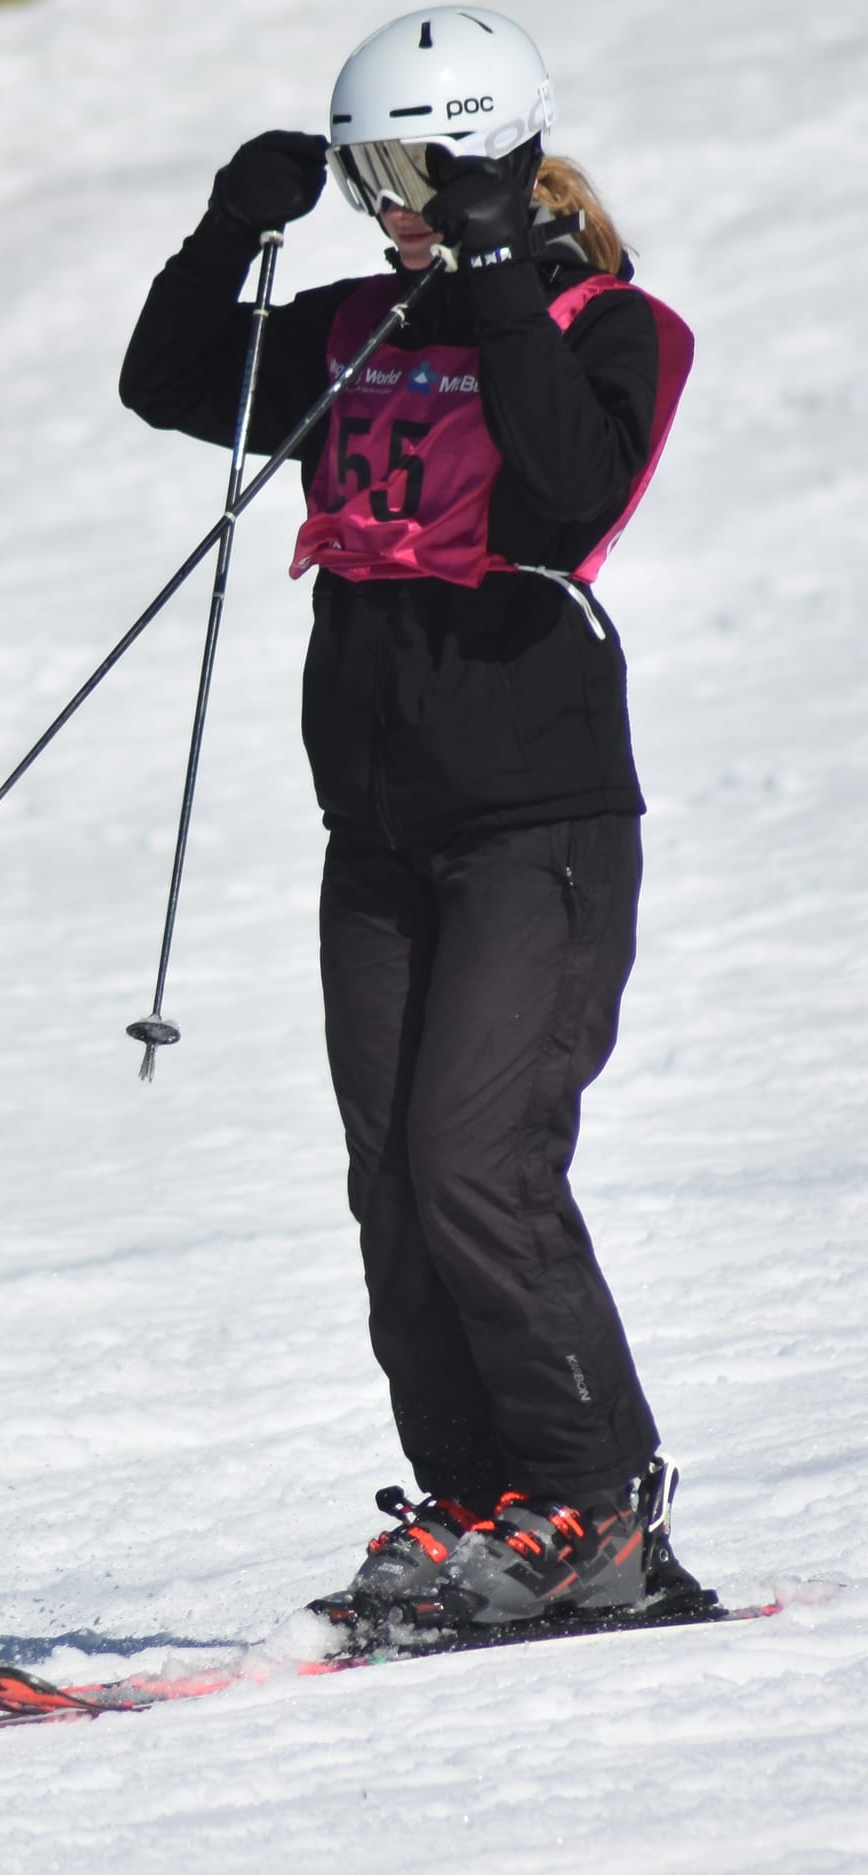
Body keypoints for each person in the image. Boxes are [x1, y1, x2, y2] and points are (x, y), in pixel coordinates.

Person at [118, 10, 700, 1629]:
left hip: (540, 825)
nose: (384, 205)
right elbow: (165, 383)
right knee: (394, 1183)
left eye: (406, 172)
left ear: (483, 160)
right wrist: (234, 228)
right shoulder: (356, 324)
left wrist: (504, 259)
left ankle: (599, 1511)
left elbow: (573, 488)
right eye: (365, 174)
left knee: (476, 1164)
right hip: (374, 832)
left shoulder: (611, 327)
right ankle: (474, 1505)